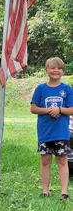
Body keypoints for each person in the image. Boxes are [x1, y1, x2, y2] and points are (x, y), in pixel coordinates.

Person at [31, 57, 73, 200]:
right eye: (53, 68)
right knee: (45, 160)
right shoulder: (41, 89)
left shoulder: (67, 89)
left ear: (63, 71)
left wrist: (59, 110)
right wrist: (49, 110)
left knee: (62, 160)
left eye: (59, 68)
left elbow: (71, 109)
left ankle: (64, 192)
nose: (56, 70)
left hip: (61, 132)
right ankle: (45, 191)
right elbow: (33, 108)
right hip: (45, 132)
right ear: (46, 70)